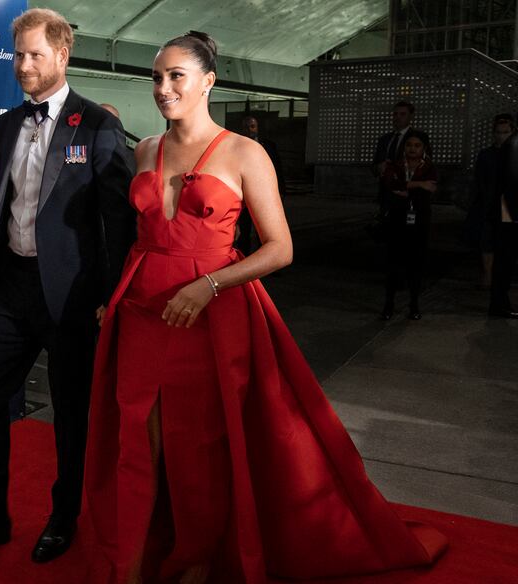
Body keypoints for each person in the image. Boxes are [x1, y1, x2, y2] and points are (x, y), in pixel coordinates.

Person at [84, 32, 447, 584]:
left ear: (207, 81)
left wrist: (209, 285)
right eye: (156, 77)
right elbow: (142, 239)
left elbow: (280, 248)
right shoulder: (146, 150)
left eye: (175, 75)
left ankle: (198, 563)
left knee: (196, 449)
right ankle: (131, 566)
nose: (162, 88)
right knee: (137, 443)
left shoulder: (244, 152)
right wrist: (116, 298)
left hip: (208, 317)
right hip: (141, 311)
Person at [0, 8, 135, 563]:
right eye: (17, 54)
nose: (22, 65)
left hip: (72, 298)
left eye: (34, 55)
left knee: (70, 414)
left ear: (62, 56)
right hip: (13, 289)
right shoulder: (5, 123)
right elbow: (6, 207)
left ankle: (63, 518)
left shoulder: (96, 125)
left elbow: (119, 221)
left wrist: (109, 297)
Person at [380, 131, 438, 321]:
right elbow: (390, 184)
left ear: (423, 148)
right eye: (409, 145)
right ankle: (389, 304)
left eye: (417, 145)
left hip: (419, 220)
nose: (412, 149)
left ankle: (414, 304)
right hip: (396, 218)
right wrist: (418, 185)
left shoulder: (429, 167)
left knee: (416, 263)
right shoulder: (394, 165)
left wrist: (406, 188)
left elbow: (430, 190)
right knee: (393, 263)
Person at [465, 115, 514, 288]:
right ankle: (488, 275)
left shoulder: (514, 153)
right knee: (487, 240)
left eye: (505, 132)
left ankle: (498, 276)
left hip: (509, 203)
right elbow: (479, 180)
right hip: (489, 202)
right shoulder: (486, 154)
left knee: (505, 241)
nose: (501, 136)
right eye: (498, 132)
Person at [372, 102, 431, 229]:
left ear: (411, 116)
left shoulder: (419, 137)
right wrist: (378, 167)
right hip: (387, 195)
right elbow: (374, 165)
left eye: (402, 114)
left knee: (409, 231)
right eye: (395, 114)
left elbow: (425, 166)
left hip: (408, 196)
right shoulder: (384, 139)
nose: (397, 117)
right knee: (389, 232)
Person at [236, 115, 285, 255]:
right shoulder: (236, 146)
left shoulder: (268, 145)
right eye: (246, 126)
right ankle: (243, 260)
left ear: (257, 128)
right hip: (243, 196)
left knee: (265, 231)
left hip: (264, 195)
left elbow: (277, 168)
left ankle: (266, 260)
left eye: (252, 126)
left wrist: (281, 191)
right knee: (244, 229)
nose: (249, 129)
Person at [489, 120, 518, 318]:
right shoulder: (514, 145)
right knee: (505, 261)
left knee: (505, 260)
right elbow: (512, 182)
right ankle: (499, 305)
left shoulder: (512, 144)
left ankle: (499, 304)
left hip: (509, 212)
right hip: (510, 213)